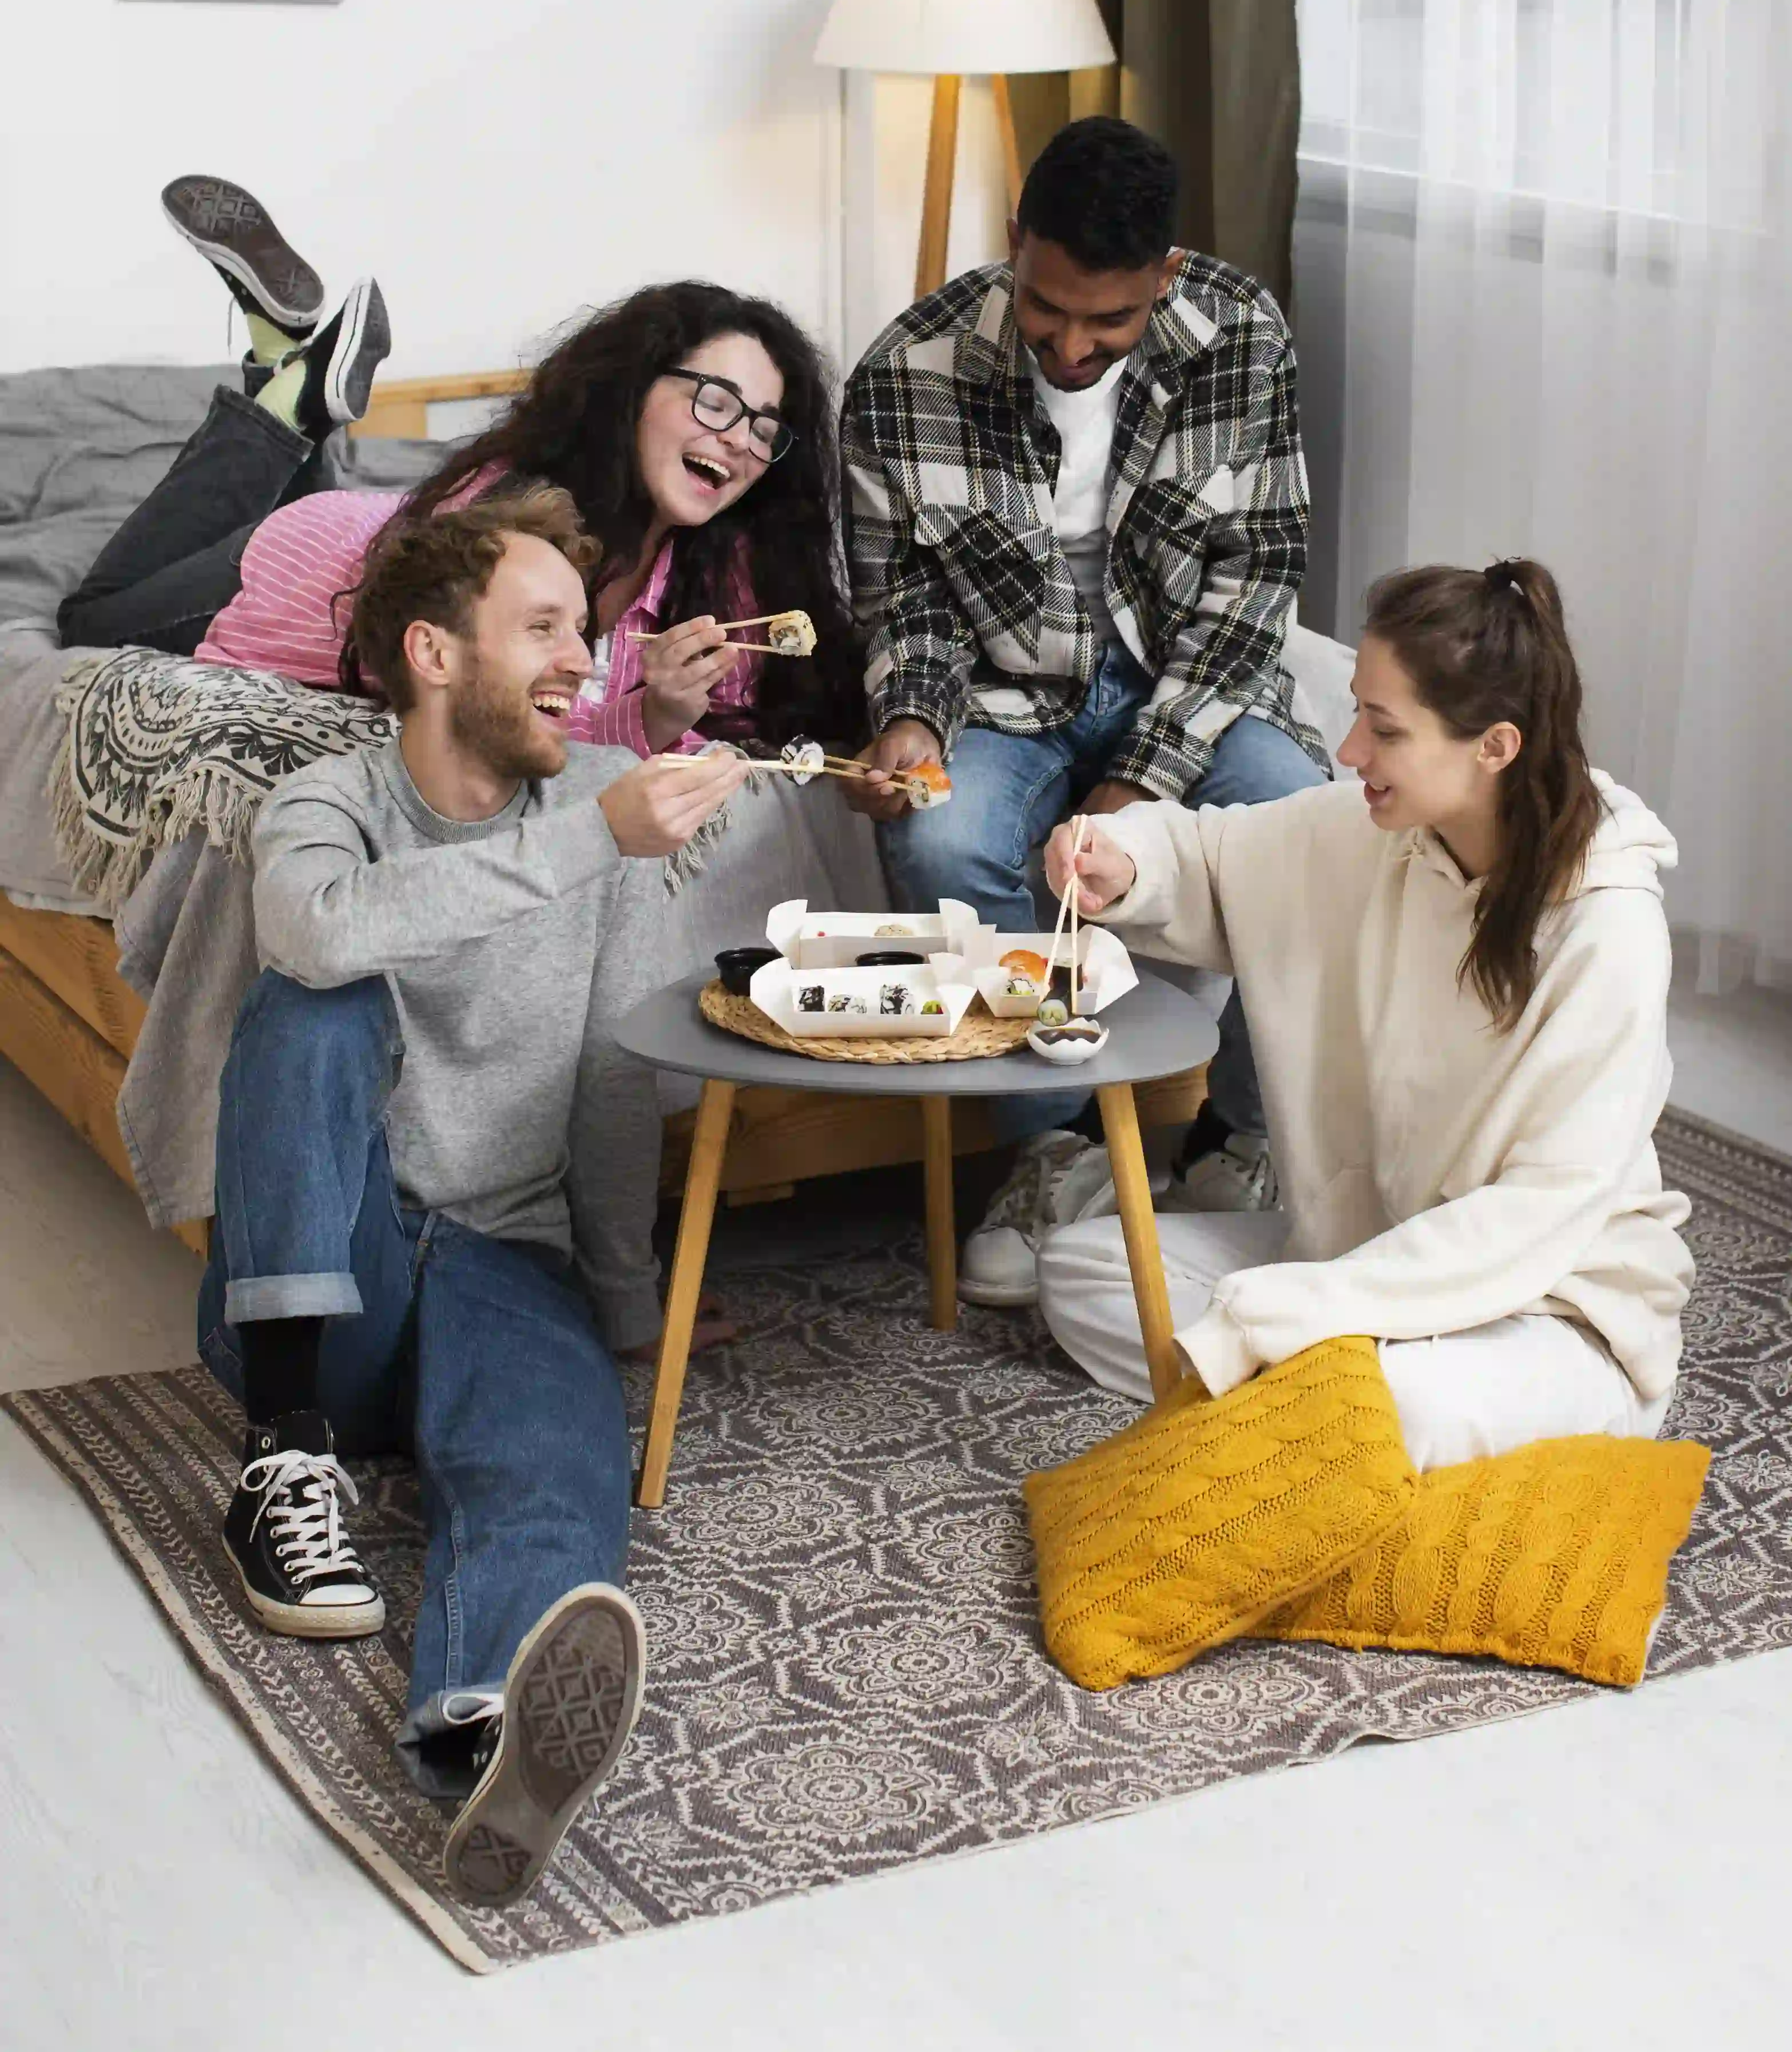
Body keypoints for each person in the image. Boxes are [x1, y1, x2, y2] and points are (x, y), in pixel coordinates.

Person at [197, 486, 746, 1903]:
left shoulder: (604, 824)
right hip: (342, 1276)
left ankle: (483, 1734)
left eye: (589, 629)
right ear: (436, 654)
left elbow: (618, 1082)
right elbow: (315, 933)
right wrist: (589, 838)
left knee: (559, 1468)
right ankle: (287, 1455)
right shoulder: (330, 804)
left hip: (507, 1252)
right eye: (547, 630)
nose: (588, 663)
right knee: (307, 1002)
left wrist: (624, 1308)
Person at [1034, 559, 1695, 1472]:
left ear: (1494, 746)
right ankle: (1314, 1414)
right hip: (1366, 1253)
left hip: (1544, 1311)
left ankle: (1313, 1407)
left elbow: (1535, 1216)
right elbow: (1218, 857)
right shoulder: (1376, 831)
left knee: (1404, 1401)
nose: (1349, 751)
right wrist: (1124, 859)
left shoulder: (1608, 925)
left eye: (1383, 729)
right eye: (1357, 713)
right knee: (1086, 1268)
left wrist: (1301, 1309)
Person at [840, 115, 1329, 1309]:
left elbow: (1254, 582)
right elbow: (905, 596)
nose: (1070, 343)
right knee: (943, 835)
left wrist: (1139, 786)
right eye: (1047, 304)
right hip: (1008, 696)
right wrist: (910, 717)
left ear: (1163, 278)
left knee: (1299, 819)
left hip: (1190, 680)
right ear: (1016, 243)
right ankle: (1055, 1151)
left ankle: (1248, 1142)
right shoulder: (908, 370)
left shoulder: (1241, 338)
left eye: (1107, 322)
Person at [59, 176, 862, 758]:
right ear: (633, 391)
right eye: (716, 401)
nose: (738, 440)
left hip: (383, 538)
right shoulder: (514, 518)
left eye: (765, 426)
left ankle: (282, 352)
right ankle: (292, 401)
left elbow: (755, 705)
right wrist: (644, 720)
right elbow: (473, 713)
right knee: (91, 621)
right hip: (311, 574)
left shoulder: (722, 571)